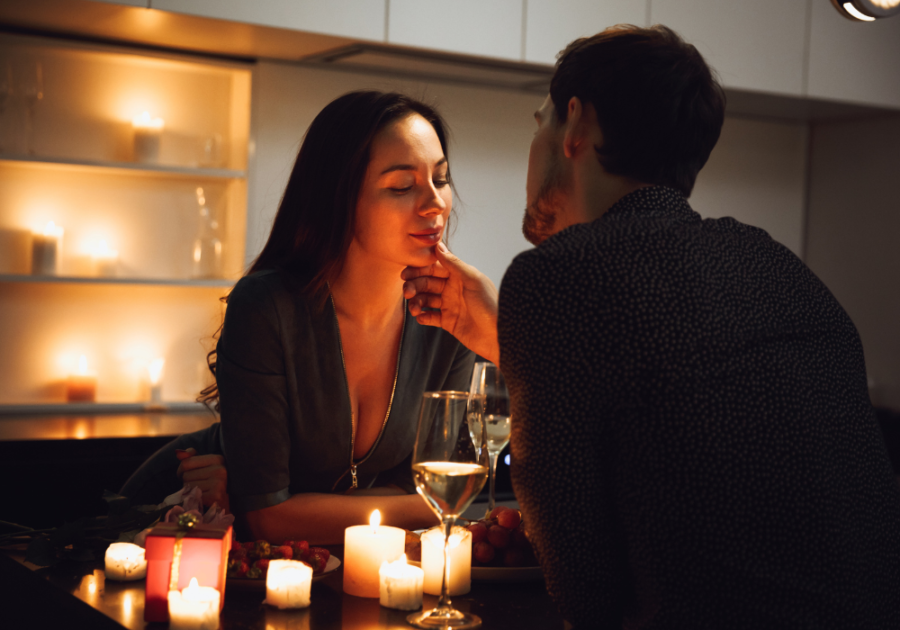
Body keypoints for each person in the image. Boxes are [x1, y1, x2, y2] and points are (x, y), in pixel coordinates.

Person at [402, 25, 900, 629]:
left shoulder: (559, 276)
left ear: (576, 126)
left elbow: (582, 581)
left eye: (541, 120)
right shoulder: (773, 262)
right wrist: (511, 340)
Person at [121, 90, 473, 544]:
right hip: (183, 523)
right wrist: (411, 505)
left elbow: (446, 500)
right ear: (338, 198)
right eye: (402, 186)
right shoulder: (268, 307)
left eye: (440, 179)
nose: (436, 204)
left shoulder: (449, 315)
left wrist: (294, 508)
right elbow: (269, 518)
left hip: (322, 560)